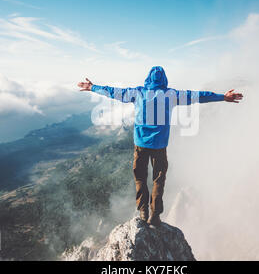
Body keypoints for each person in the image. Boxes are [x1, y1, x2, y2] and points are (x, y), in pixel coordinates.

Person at [78, 66, 243, 226]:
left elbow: (113, 92)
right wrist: (223, 97)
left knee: (140, 177)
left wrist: (92, 87)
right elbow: (198, 96)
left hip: (141, 145)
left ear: (148, 78)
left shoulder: (138, 92)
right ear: (164, 79)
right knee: (159, 179)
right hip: (160, 146)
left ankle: (143, 212)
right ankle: (155, 215)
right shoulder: (171, 95)